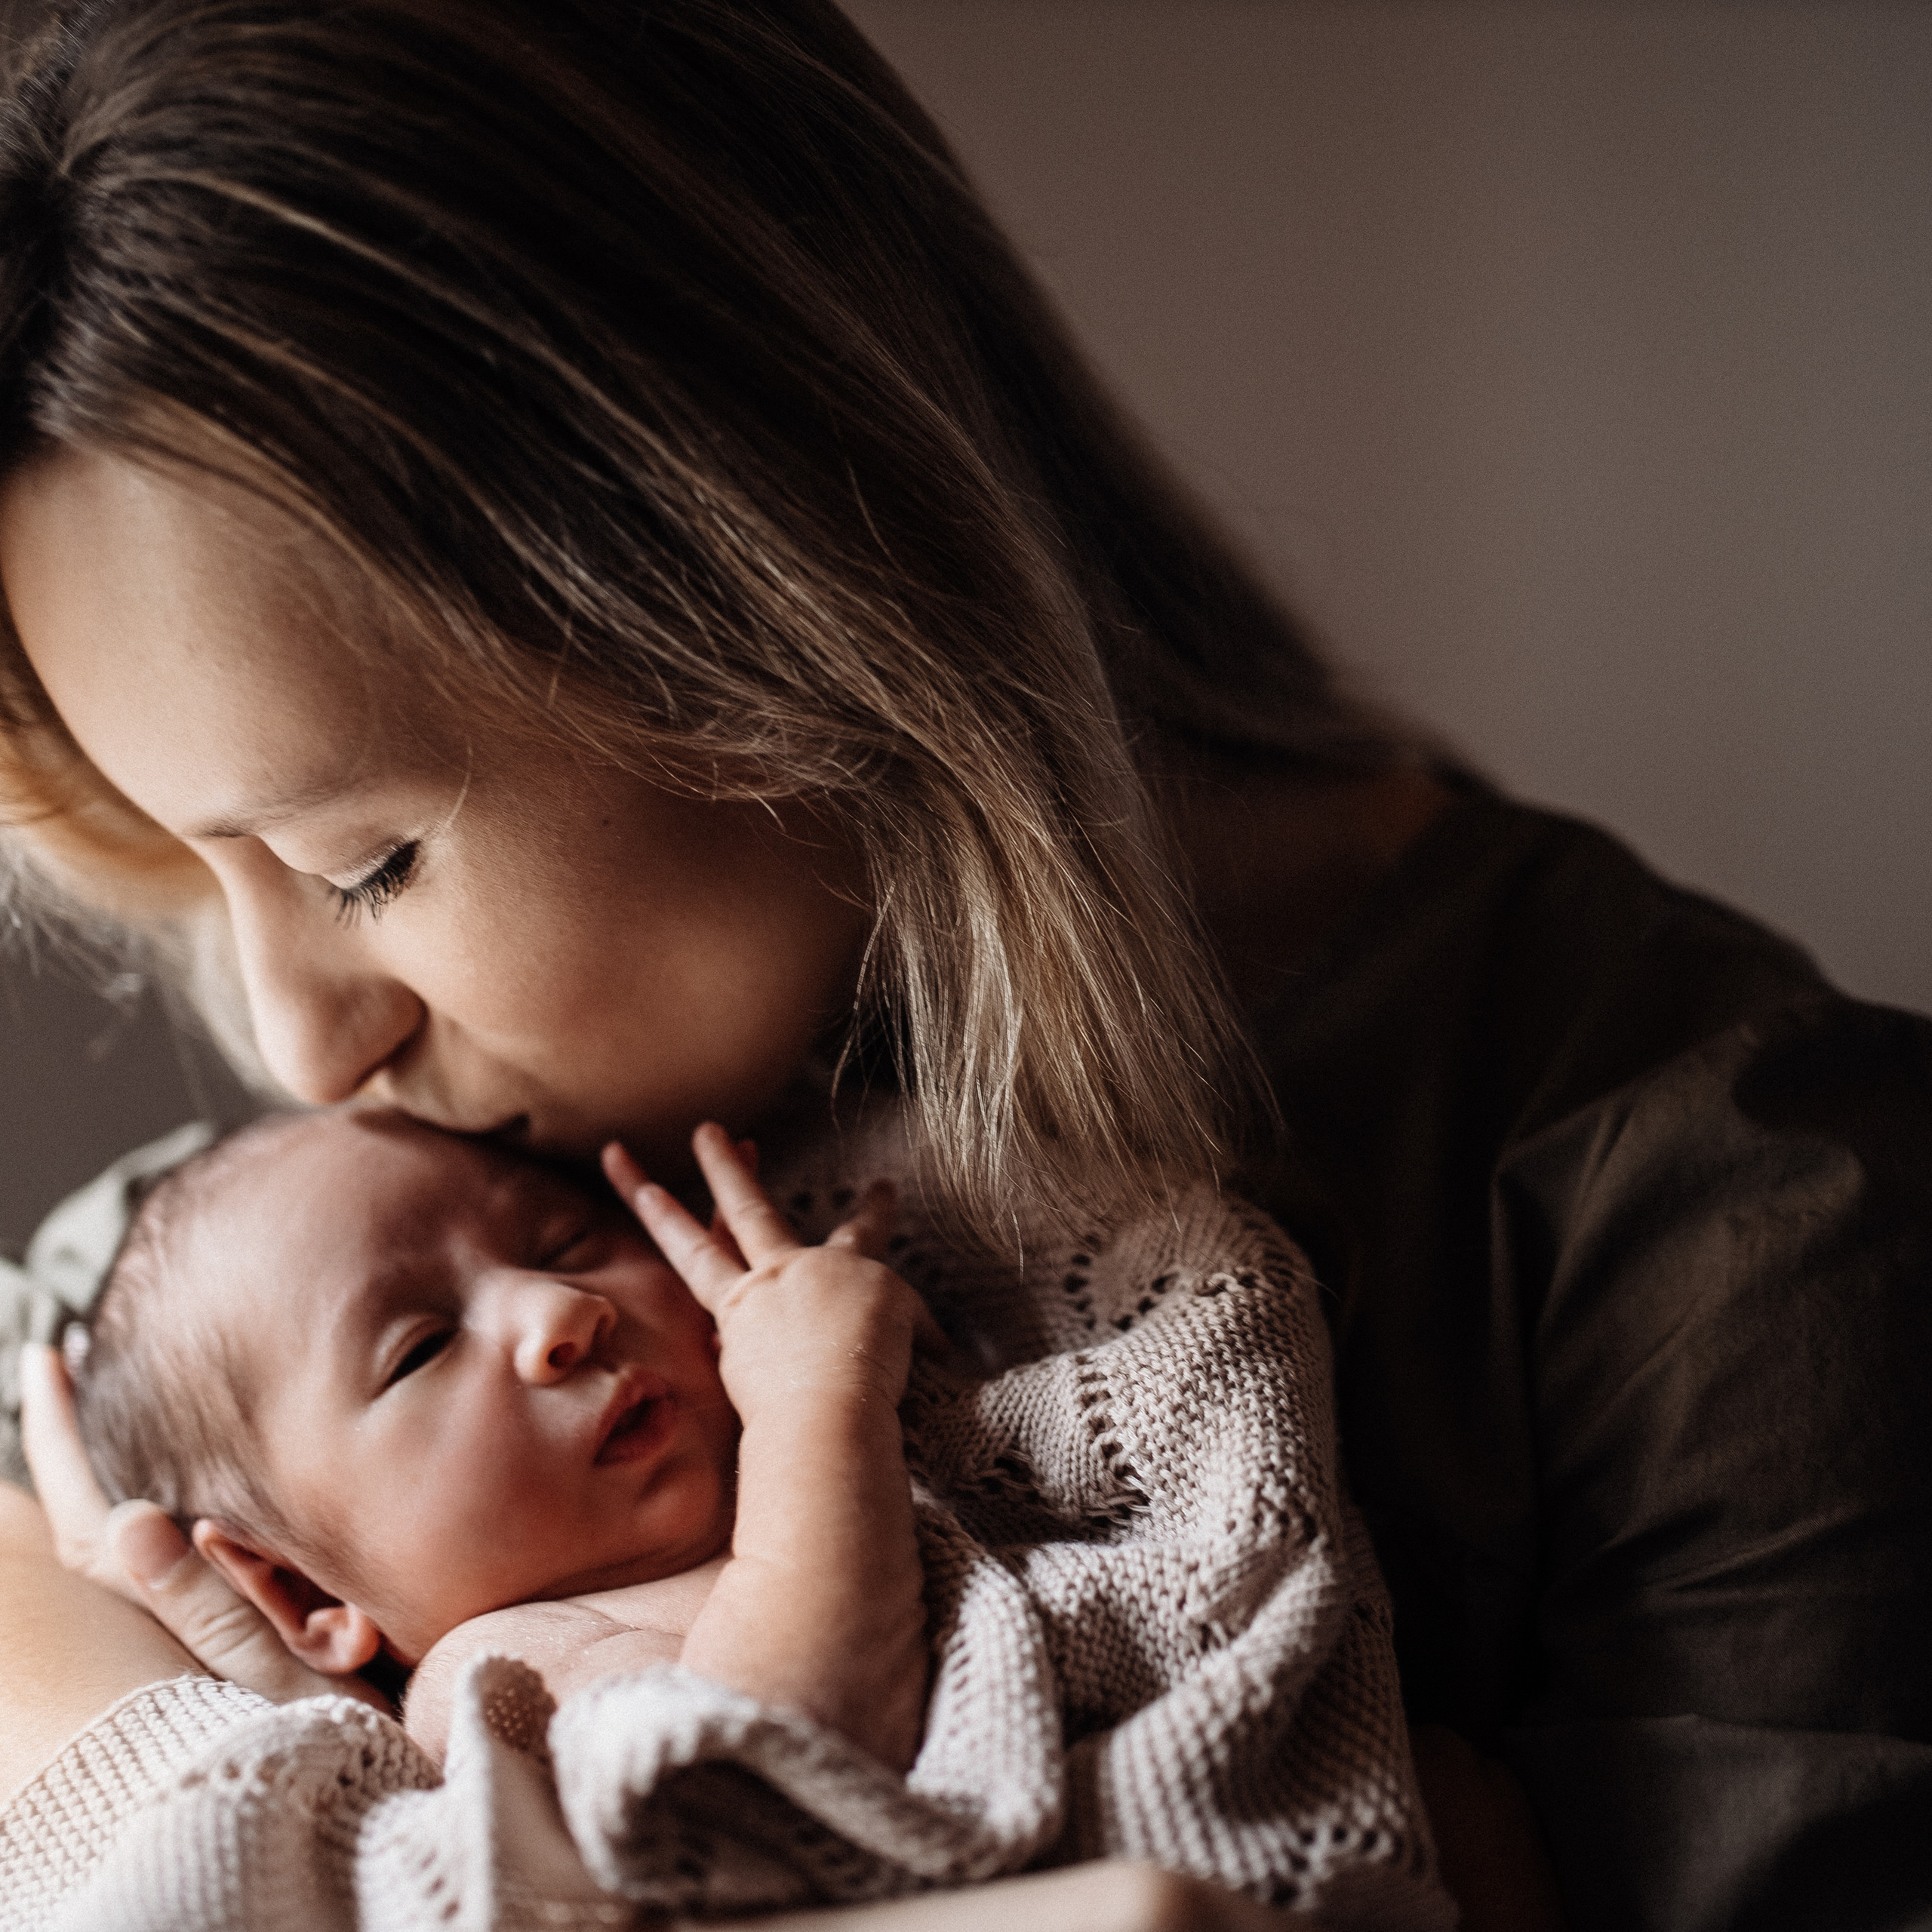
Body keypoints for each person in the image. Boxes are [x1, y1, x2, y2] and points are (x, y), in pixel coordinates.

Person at [0, 2, 1924, 1929]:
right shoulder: (258, 1290)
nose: (297, 1046)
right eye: (199, 863)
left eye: (369, 860)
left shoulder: (1740, 1222)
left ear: (768, 596)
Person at [48, 1100, 1451, 1925]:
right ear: (305, 1599)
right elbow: (788, 1738)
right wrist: (815, 1391)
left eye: (559, 1241)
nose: (556, 1316)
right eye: (418, 1349)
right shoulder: (507, 1667)